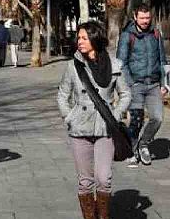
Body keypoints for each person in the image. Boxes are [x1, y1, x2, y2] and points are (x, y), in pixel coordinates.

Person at [58, 21, 131, 219]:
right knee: (85, 181)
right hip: (79, 129)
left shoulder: (115, 65)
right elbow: (62, 95)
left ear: (95, 39)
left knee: (104, 178)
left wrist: (114, 115)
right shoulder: (73, 66)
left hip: (105, 127)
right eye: (78, 38)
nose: (79, 42)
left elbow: (125, 94)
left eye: (84, 38)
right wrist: (69, 117)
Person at [116, 4, 168, 167]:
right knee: (137, 120)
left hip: (153, 84)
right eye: (142, 18)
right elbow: (121, 62)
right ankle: (131, 150)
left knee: (157, 118)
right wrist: (129, 84)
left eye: (147, 18)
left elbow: (162, 60)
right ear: (135, 17)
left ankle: (143, 144)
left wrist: (163, 83)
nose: (145, 21)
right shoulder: (127, 36)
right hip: (136, 84)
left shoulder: (156, 34)